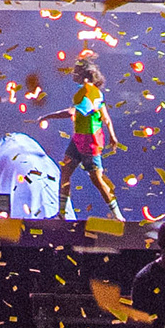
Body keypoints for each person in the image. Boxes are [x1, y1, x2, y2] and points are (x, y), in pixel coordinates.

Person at [59, 63, 119, 223]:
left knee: (97, 179)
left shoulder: (89, 93)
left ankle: (118, 215)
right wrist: (112, 136)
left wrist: (47, 117)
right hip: (78, 139)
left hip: (89, 142)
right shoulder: (93, 93)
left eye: (77, 73)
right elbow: (106, 118)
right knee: (66, 171)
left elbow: (71, 112)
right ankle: (61, 213)